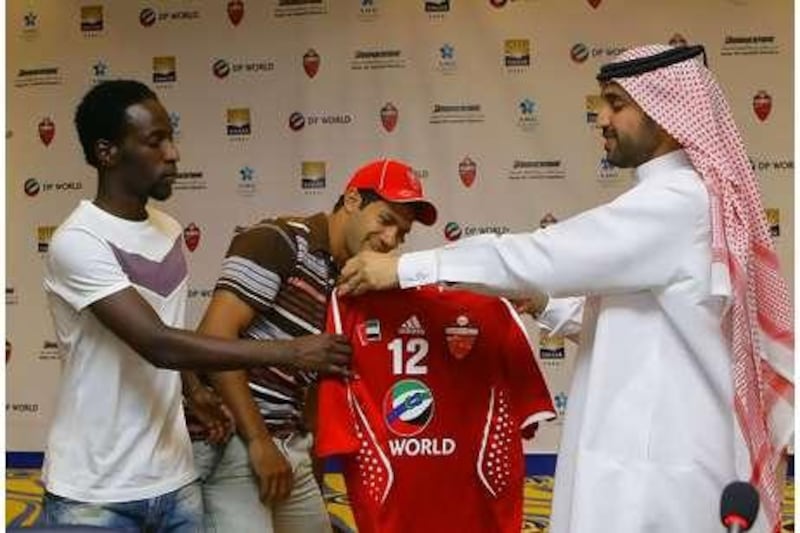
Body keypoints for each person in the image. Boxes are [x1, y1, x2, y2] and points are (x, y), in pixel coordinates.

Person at [337, 45, 793, 533]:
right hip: (644, 457)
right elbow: (642, 320)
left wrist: (406, 268)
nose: (601, 118)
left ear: (663, 115)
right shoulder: (679, 201)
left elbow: (540, 256)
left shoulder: (677, 203)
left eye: (617, 104)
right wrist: (542, 304)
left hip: (657, 472)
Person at [41, 80, 351, 532]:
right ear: (107, 153)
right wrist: (292, 351)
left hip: (175, 479)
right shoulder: (79, 241)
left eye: (171, 137)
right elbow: (157, 343)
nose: (173, 153)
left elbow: (166, 325)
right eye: (155, 141)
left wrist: (195, 390)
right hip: (94, 492)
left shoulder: (167, 230)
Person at [192, 159, 437, 532]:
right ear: (352, 200)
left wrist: (311, 462)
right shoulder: (279, 240)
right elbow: (213, 339)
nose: (391, 240)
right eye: (385, 220)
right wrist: (258, 442)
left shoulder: (353, 278)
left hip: (291, 447)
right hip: (235, 442)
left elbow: (317, 387)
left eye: (402, 233)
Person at [316, 285, 556, 532]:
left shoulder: (494, 309)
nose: (389, 243)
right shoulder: (351, 303)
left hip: (475, 505)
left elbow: (527, 403)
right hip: (392, 499)